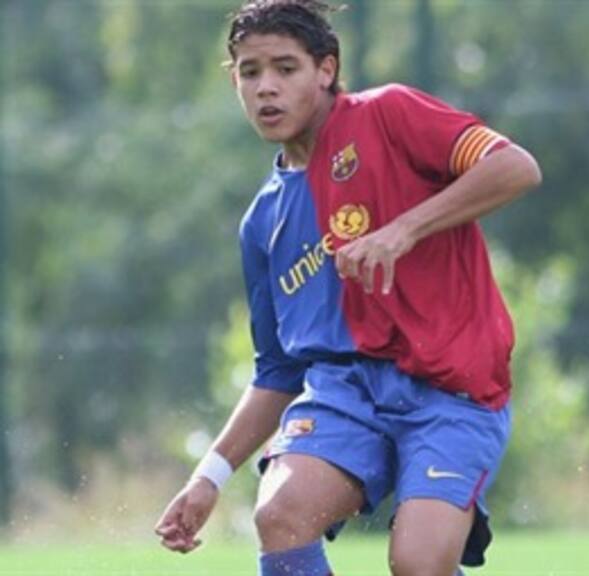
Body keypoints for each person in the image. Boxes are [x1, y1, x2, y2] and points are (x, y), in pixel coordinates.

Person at [155, 1, 541, 575]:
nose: (266, 88)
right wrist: (207, 478)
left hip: (451, 391)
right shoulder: (263, 223)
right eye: (250, 71)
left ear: (326, 70)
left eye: (285, 69)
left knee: (417, 563)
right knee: (280, 516)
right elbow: (279, 372)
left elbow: (516, 167)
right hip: (345, 394)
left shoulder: (388, 114)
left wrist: (403, 230)